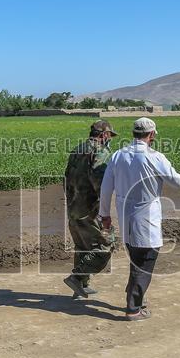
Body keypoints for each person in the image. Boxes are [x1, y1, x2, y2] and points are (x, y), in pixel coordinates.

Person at [99, 117, 180, 320]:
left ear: (134, 133)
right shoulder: (155, 157)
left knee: (136, 258)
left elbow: (106, 189)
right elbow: (176, 181)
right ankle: (133, 308)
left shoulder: (117, 156)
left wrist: (104, 215)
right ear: (151, 135)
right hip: (146, 216)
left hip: (125, 215)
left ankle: (135, 297)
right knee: (146, 259)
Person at [62, 120, 118, 298]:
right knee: (106, 245)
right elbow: (100, 181)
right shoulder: (100, 151)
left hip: (73, 207)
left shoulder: (77, 149)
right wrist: (104, 212)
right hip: (89, 208)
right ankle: (77, 278)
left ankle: (81, 287)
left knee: (82, 246)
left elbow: (66, 178)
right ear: (104, 135)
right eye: (110, 136)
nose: (110, 139)